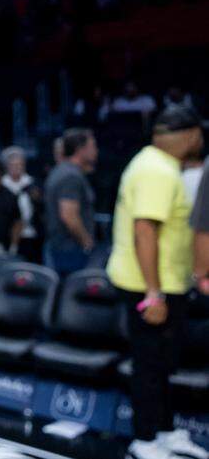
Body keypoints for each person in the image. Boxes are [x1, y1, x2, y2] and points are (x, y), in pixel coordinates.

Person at [105, 106, 206, 459]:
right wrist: (154, 293)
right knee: (149, 366)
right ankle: (145, 440)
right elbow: (144, 232)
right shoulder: (156, 171)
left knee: (161, 365)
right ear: (192, 135)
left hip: (160, 284)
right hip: (148, 286)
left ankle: (165, 431)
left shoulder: (153, 162)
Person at [43, 128, 98, 275]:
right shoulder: (70, 176)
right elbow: (68, 216)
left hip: (63, 248)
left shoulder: (62, 171)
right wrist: (87, 242)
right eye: (92, 146)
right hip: (70, 250)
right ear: (80, 150)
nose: (96, 151)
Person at [1, 146, 42, 262]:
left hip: (31, 235)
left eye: (20, 164)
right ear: (7, 166)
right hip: (7, 235)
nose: (17, 167)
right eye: (13, 165)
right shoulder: (1, 185)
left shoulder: (33, 183)